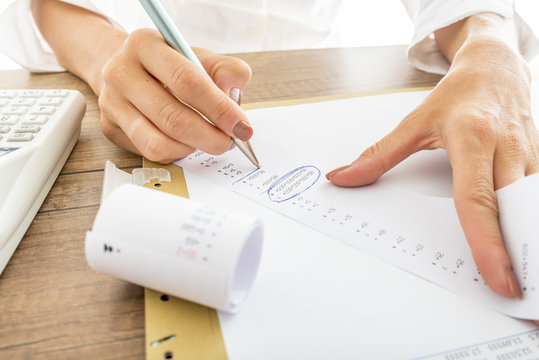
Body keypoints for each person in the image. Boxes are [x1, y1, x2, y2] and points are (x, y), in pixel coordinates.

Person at [1, 0, 537, 323]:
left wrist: (491, 47)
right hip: (149, 71)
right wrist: (107, 60)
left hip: (328, 79)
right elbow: (46, 6)